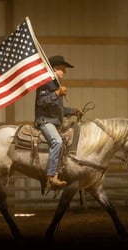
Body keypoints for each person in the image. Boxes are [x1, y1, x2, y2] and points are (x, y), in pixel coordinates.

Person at [34, 55, 81, 190]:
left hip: (53, 121)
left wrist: (73, 111)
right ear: (54, 69)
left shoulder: (55, 84)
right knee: (57, 141)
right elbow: (41, 102)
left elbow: (58, 109)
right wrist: (56, 93)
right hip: (44, 120)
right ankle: (51, 177)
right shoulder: (45, 83)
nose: (64, 72)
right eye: (62, 69)